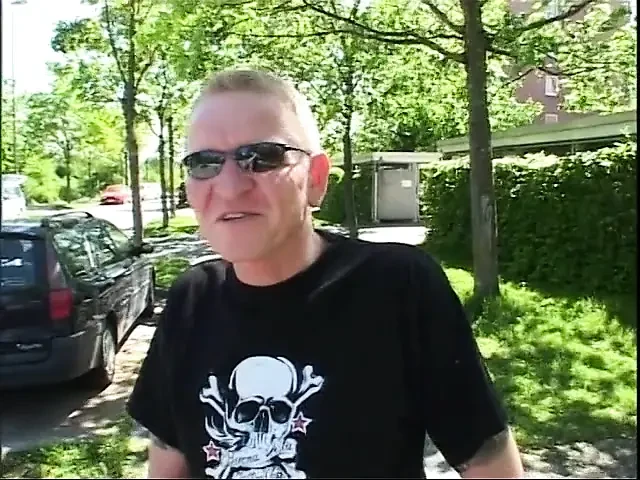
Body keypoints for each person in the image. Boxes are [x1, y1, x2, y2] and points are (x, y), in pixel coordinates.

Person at [126, 69, 525, 479]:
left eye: (262, 157)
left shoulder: (397, 286)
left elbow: (490, 465)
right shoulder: (191, 298)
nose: (229, 187)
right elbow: (168, 462)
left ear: (315, 180)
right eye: (204, 163)